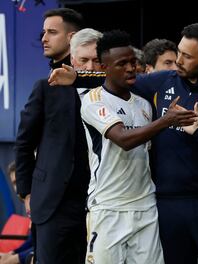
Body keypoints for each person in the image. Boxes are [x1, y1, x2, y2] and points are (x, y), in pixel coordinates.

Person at [48, 23, 198, 264]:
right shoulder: (160, 82)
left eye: (186, 56)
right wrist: (79, 77)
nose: (178, 60)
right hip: (160, 204)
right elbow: (117, 76)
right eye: (178, 52)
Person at [81, 29, 197, 264]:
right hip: (108, 207)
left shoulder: (145, 104)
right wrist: (166, 120)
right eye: (122, 64)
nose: (131, 68)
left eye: (134, 62)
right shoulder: (93, 100)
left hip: (145, 205)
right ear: (104, 68)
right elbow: (123, 139)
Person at [14, 8, 89, 264]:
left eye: (52, 32)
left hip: (95, 201)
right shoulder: (43, 88)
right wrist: (27, 193)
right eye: (43, 32)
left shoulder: (100, 84)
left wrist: (80, 78)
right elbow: (24, 143)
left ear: (72, 37)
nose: (44, 38)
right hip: (52, 204)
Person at [0, 162, 34, 264]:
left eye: (19, 180)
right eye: (14, 183)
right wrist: (12, 252)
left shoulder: (38, 204)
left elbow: (42, 244)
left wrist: (16, 257)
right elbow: (33, 240)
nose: (17, 187)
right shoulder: (29, 205)